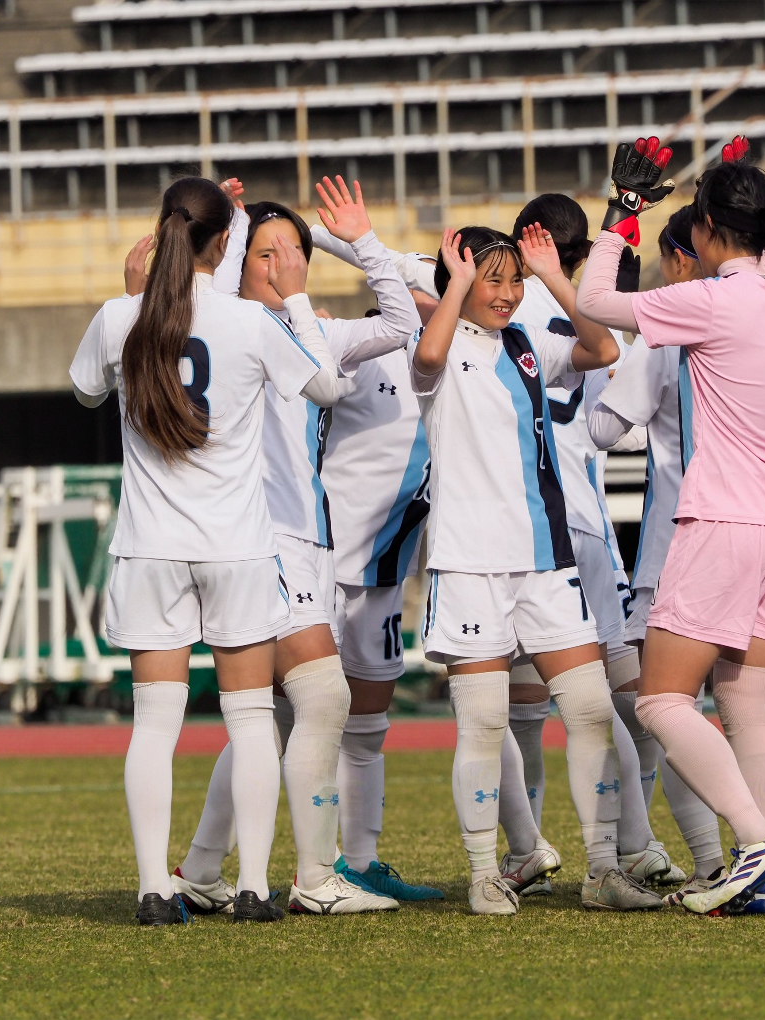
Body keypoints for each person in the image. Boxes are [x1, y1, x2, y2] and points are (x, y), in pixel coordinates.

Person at [70, 175, 345, 925]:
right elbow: (324, 386)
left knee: (154, 725)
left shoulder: (121, 316)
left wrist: (129, 293)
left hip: (151, 549)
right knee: (251, 716)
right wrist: (292, 298)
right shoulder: (251, 323)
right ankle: (253, 887)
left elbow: (86, 390)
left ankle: (154, 889)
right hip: (237, 549)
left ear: (161, 236)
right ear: (227, 244)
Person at [166, 179, 425, 915]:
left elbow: (402, 321)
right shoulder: (235, 325)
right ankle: (315, 878)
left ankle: (201, 869)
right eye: (264, 250)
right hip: (263, 535)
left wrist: (364, 243)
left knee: (274, 712)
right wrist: (223, 228)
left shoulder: (318, 328)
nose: (282, 263)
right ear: (237, 264)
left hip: (310, 539)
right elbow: (328, 391)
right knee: (322, 696)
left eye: (296, 251)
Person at [577, 137, 765, 916]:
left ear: (711, 228)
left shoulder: (714, 298)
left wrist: (625, 214)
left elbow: (591, 301)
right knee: (746, 707)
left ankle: (756, 842)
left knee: (659, 702)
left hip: (721, 519)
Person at [412, 222, 661, 915]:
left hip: (546, 560)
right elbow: (428, 358)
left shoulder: (526, 344)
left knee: (588, 709)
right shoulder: (438, 343)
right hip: (470, 564)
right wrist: (459, 282)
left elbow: (603, 346)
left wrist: (554, 278)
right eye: (492, 278)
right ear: (458, 280)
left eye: (510, 279)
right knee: (485, 723)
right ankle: (484, 870)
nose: (505, 292)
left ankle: (603, 867)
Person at [496, 193, 685, 897]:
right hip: (582, 522)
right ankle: (632, 847)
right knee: (613, 697)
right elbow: (623, 427)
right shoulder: (599, 322)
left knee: (518, 707)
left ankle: (539, 851)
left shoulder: (491, 312)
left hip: (514, 526)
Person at [307, 213, 444, 904]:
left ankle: (360, 861)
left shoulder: (457, 355)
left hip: (387, 570)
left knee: (369, 724)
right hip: (328, 566)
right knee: (294, 721)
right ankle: (227, 863)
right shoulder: (356, 351)